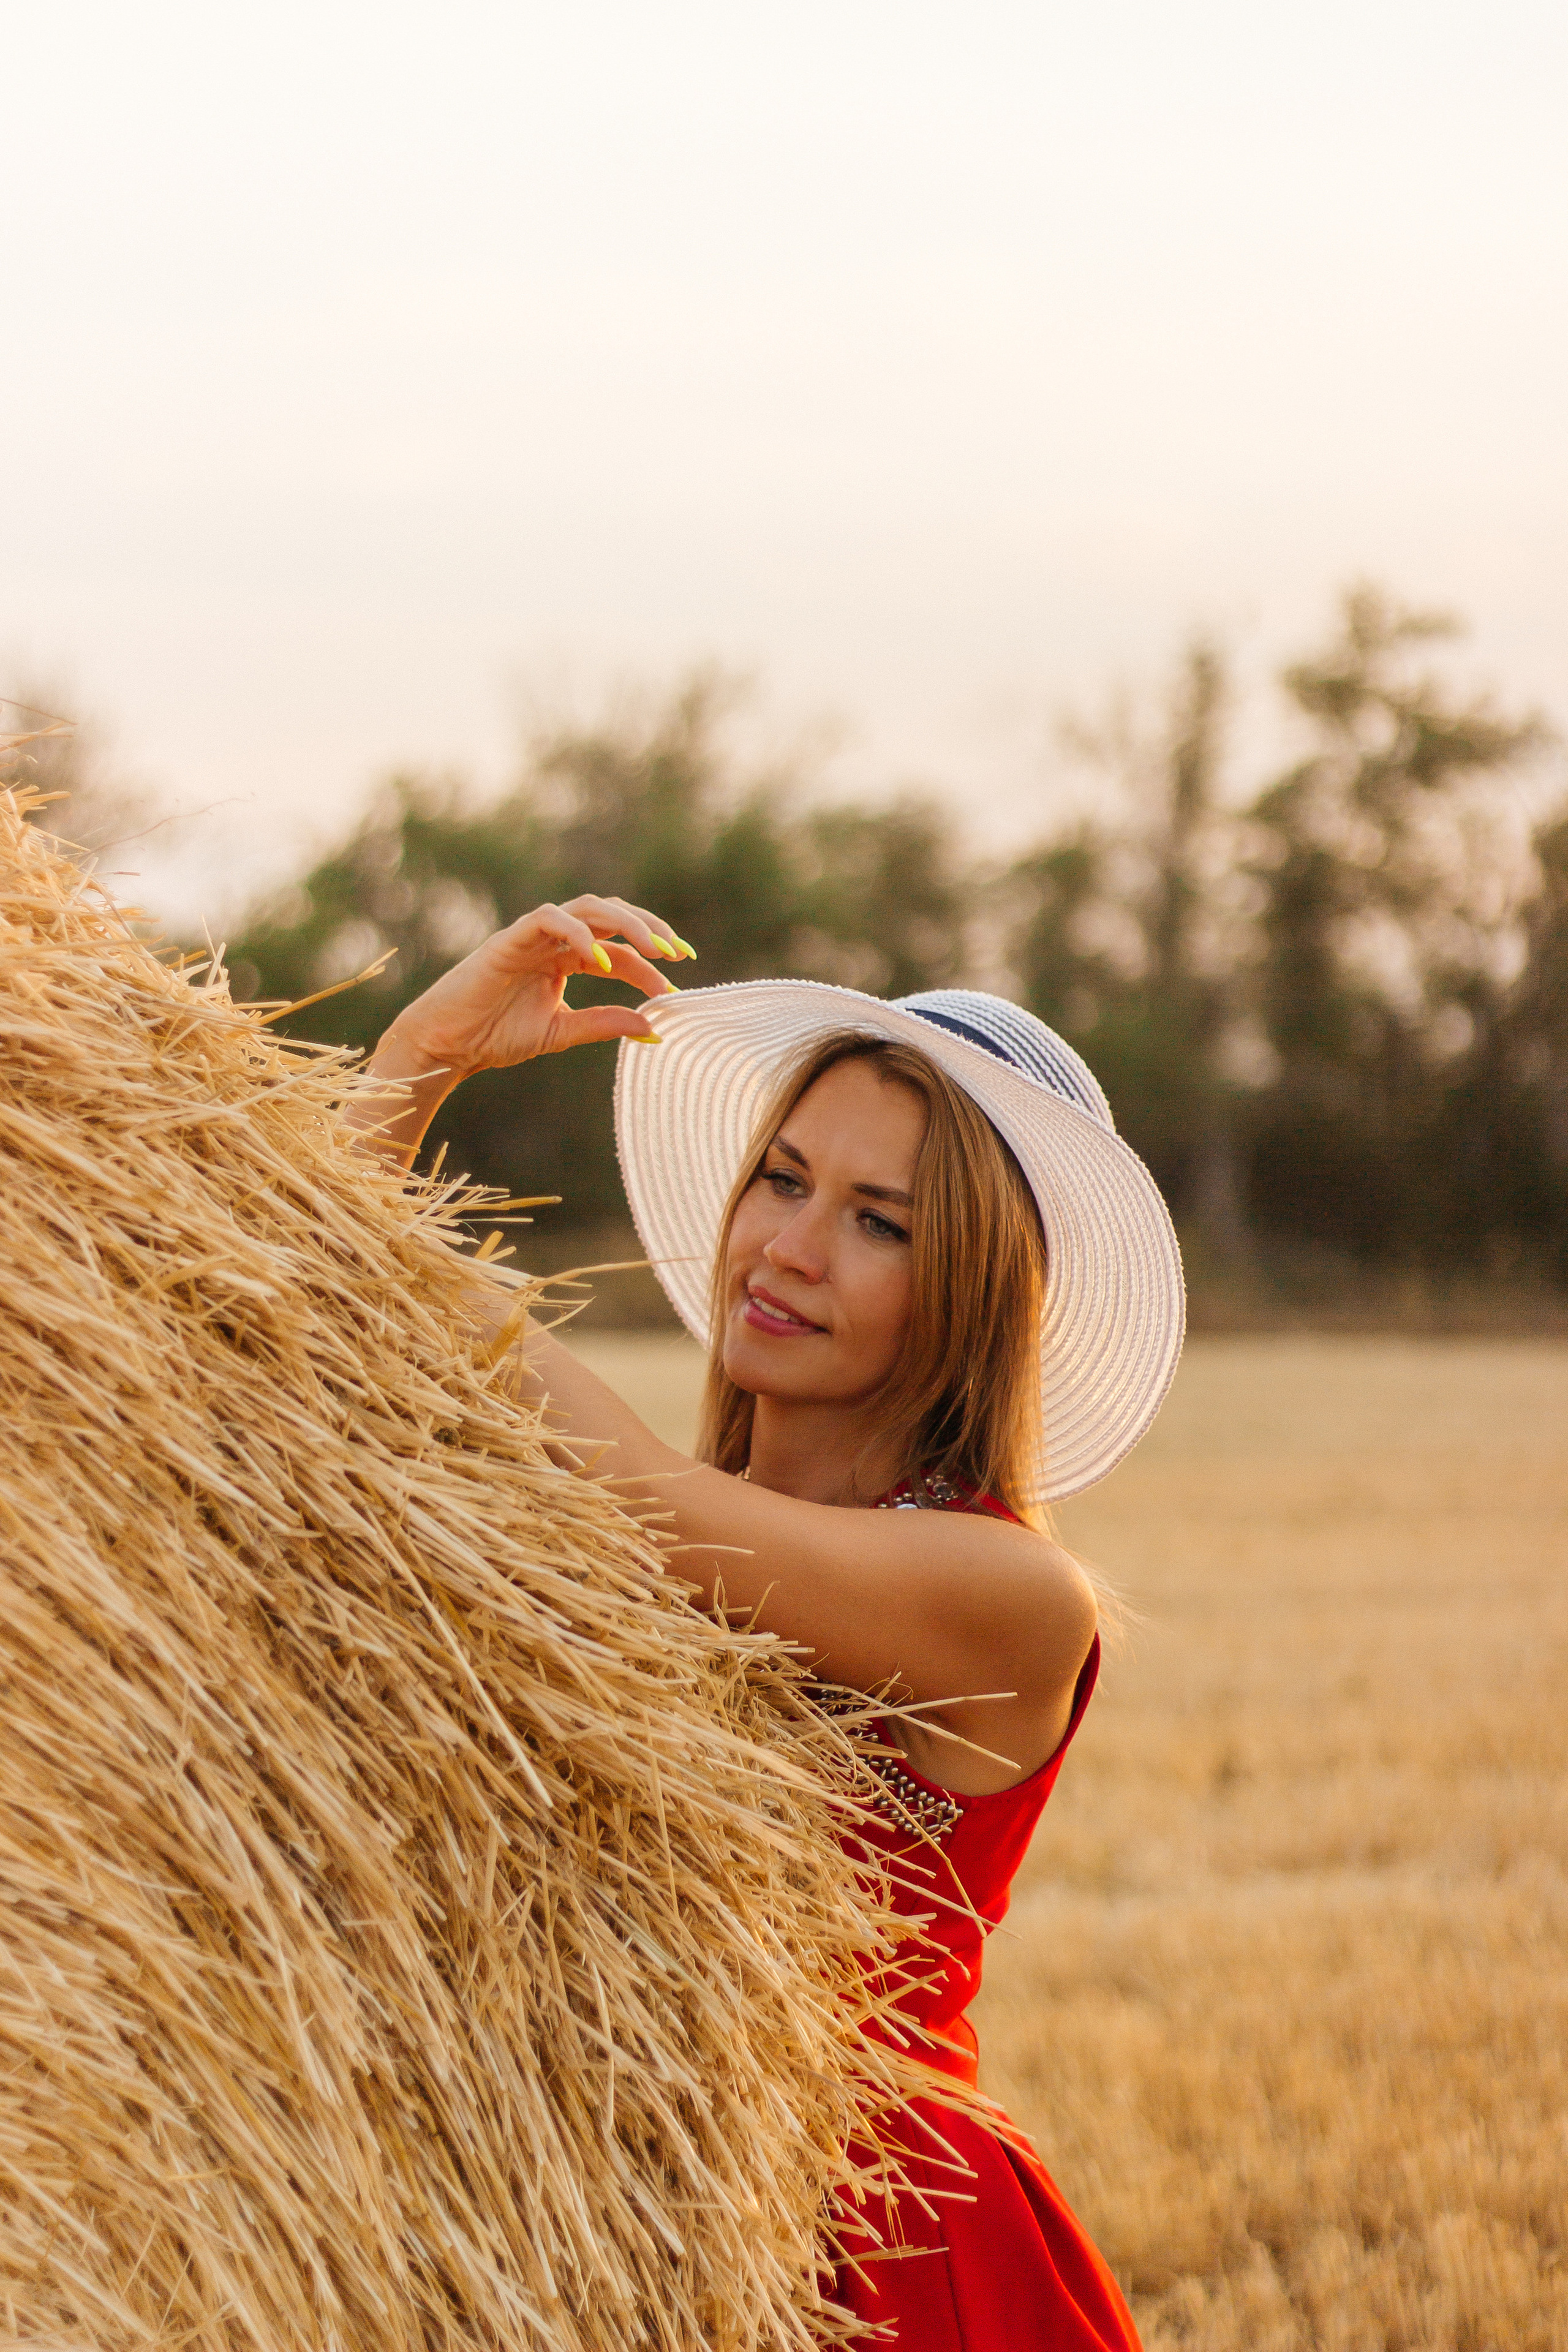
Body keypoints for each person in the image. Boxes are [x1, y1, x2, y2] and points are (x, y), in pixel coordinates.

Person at [347, 892, 1184, 2351]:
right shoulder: (650, 1527)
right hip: (604, 2231)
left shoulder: (1004, 1597)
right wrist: (416, 1057)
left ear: (969, 1294)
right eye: (781, 1180)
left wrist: (367, 1187)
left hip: (876, 2255)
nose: (788, 1247)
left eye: (877, 1223)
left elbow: (645, 1506)